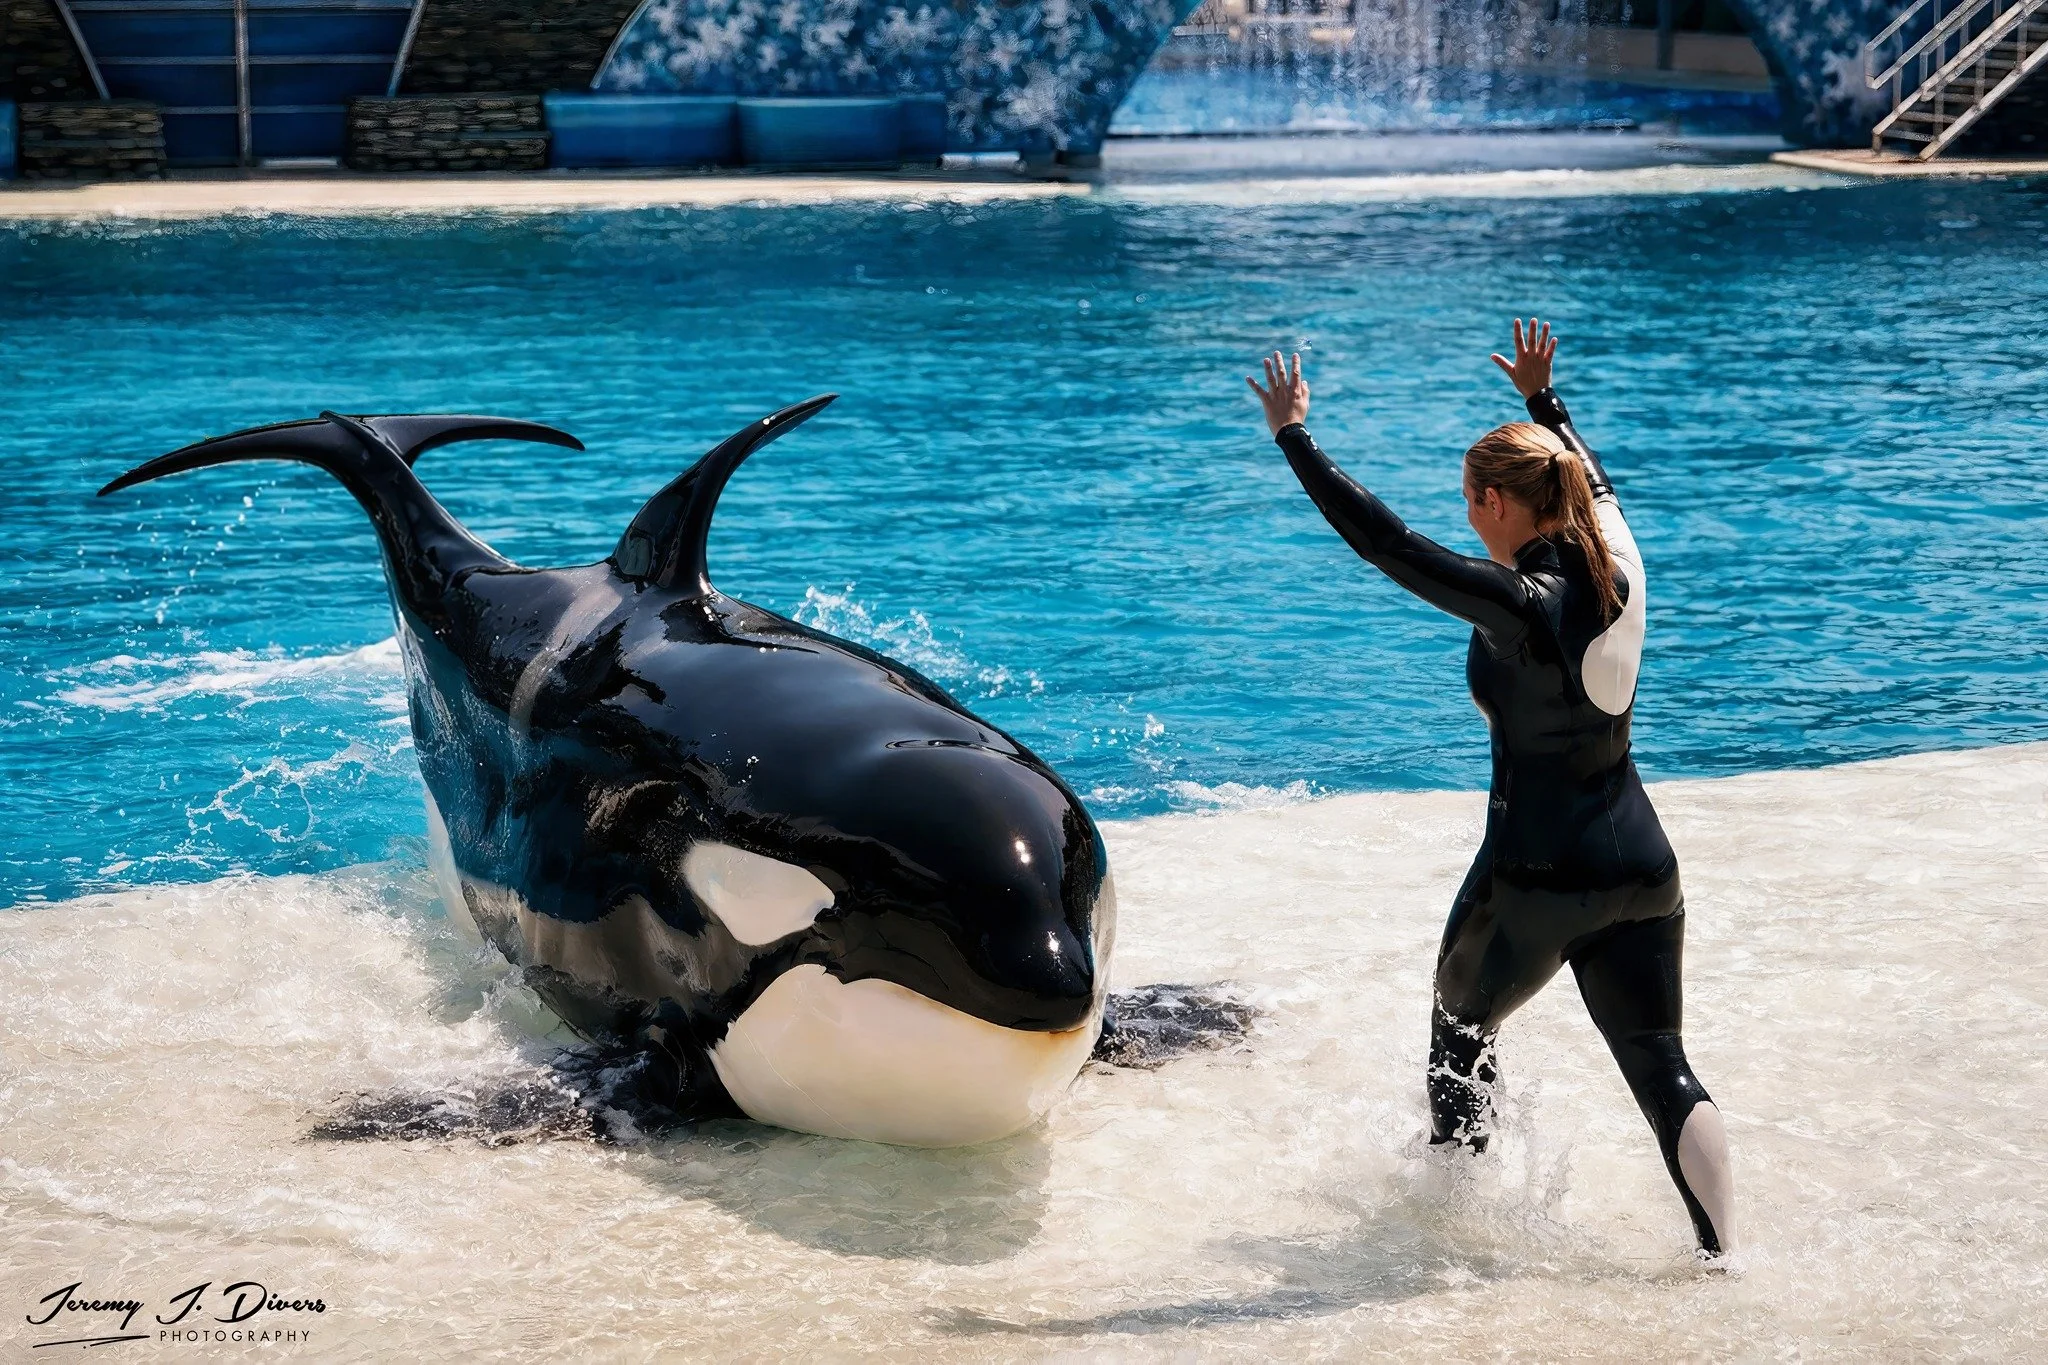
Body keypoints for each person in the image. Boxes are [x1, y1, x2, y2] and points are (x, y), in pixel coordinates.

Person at [1246, 321, 1736, 1258]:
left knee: (1458, 1034)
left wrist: (1294, 436)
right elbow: (1598, 481)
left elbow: (1389, 546)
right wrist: (1544, 403)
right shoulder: (1623, 567)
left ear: (1500, 504)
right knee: (1661, 1062)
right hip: (1642, 862)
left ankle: (1458, 1232)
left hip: (1535, 874)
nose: (1466, 517)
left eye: (1472, 502)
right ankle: (1724, 1253)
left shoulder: (1525, 606)